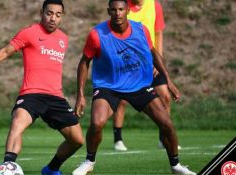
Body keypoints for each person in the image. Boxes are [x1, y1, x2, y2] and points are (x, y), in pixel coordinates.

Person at [72, 0, 196, 174]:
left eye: (121, 9)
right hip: (109, 85)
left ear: (127, 11)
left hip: (138, 84)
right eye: (113, 10)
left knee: (166, 123)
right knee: (97, 122)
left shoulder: (141, 30)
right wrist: (80, 95)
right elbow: (84, 62)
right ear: (108, 11)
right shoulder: (97, 34)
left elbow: (154, 54)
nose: (117, 13)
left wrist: (168, 80)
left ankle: (176, 166)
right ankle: (89, 162)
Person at [0, 1, 84, 175]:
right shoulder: (29, 33)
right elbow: (6, 51)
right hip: (32, 94)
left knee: (77, 140)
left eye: (58, 15)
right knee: (18, 122)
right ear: (41, 12)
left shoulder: (63, 39)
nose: (53, 18)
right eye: (49, 13)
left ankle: (51, 169)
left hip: (56, 97)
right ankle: (8, 166)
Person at [112, 0, 181, 151]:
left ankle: (164, 138)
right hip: (129, 61)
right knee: (123, 100)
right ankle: (118, 139)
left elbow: (158, 33)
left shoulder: (154, 5)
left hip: (151, 59)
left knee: (165, 96)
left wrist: (158, 60)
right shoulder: (123, 7)